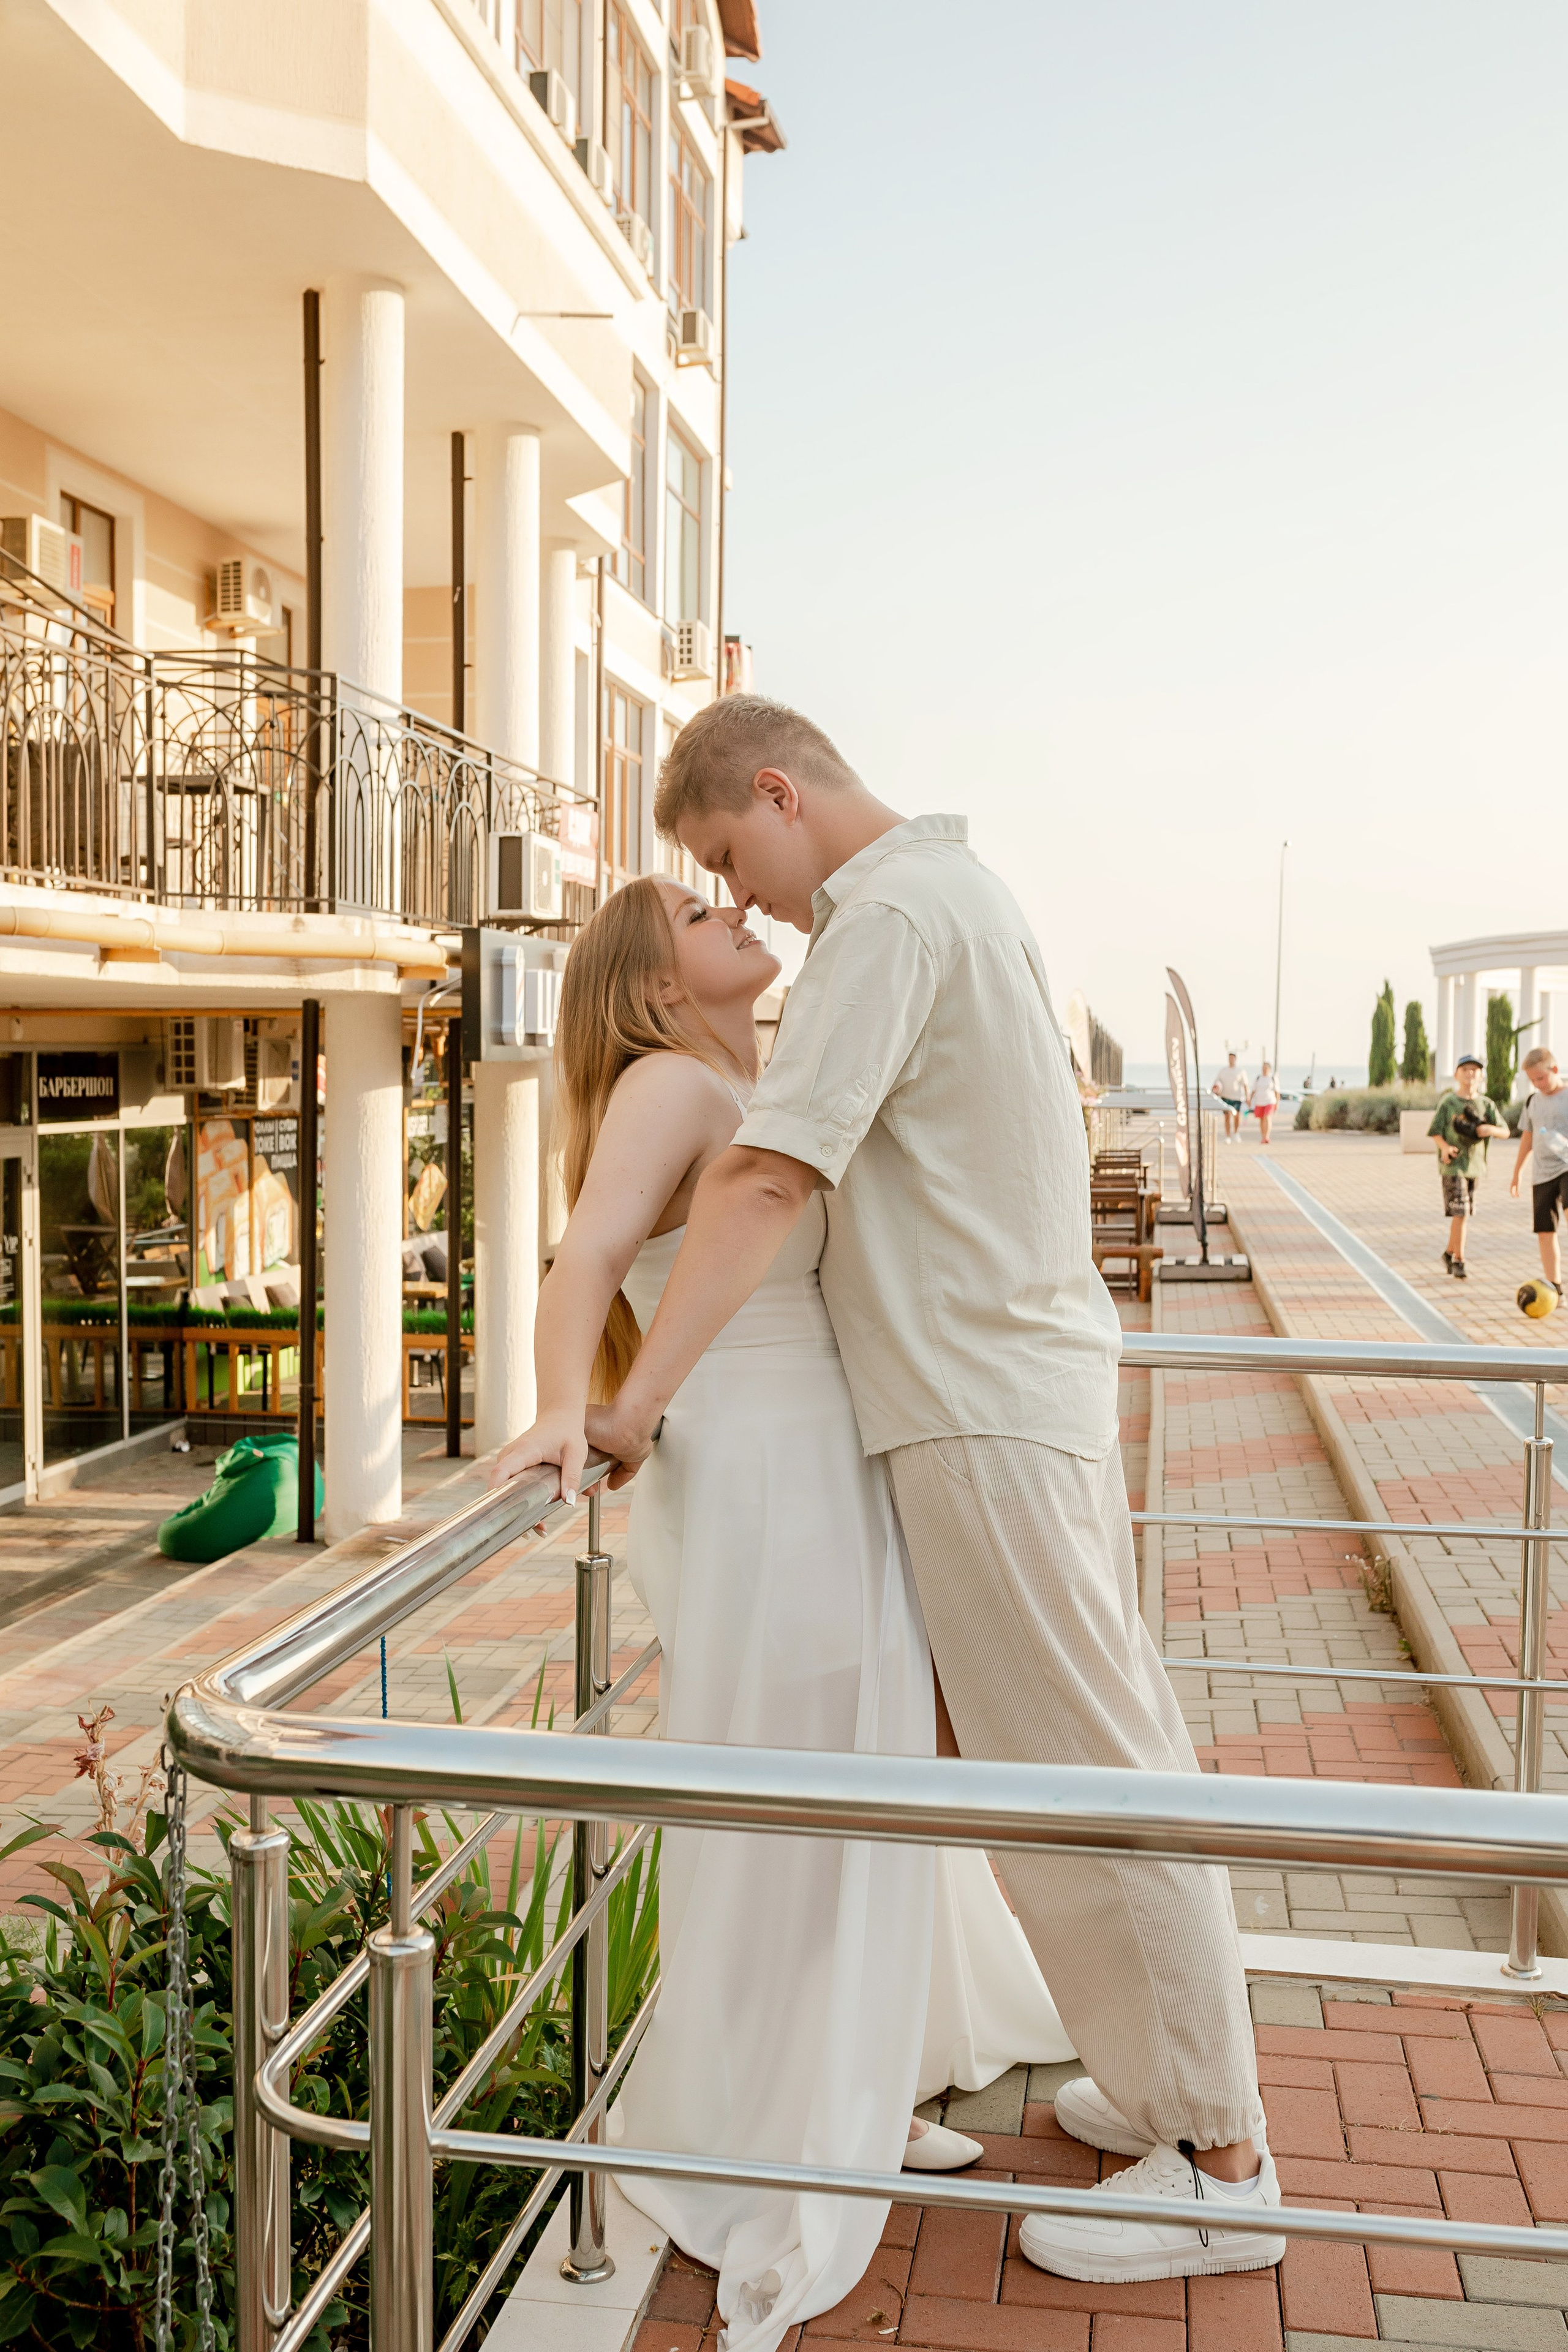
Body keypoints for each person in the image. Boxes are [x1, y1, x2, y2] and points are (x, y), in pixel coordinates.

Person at [513, 695, 1280, 2289]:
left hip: (980, 1407)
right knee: (1075, 1764)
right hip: (1004, 1395)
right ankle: (1162, 2097)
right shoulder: (958, 895)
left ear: (780, 796)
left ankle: (1220, 2165)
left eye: (736, 856)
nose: (754, 901)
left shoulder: (889, 919)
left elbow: (774, 1171)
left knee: (1096, 1774)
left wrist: (631, 1404)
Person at [492, 873, 1072, 2352]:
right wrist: (570, 1409)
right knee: (791, 1779)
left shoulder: (754, 1064)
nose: (738, 913)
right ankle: (783, 2114)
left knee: (854, 1772)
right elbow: (587, 1254)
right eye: (698, 909)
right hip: (757, 1465)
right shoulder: (669, 1082)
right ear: (648, 970)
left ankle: (849, 2083)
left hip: (832, 1453)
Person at [1428, 1054, 1509, 1280]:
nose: (1470, 1074)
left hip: (1475, 1167)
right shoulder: (1449, 1103)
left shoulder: (1486, 1105)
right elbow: (1435, 1131)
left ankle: (1448, 1253)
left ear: (1481, 1076)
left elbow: (1506, 1131)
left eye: (1475, 1070)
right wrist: (1444, 1148)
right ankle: (1460, 1260)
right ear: (1456, 1075)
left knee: (1461, 1214)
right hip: (1453, 1166)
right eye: (1465, 1069)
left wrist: (1489, 1130)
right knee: (1461, 1213)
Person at [1509, 1045, 1568, 1293]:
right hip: (1542, 1173)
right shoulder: (1533, 1101)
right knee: (1545, 1230)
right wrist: (1517, 1173)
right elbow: (1528, 1137)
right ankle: (1555, 1287)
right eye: (1533, 1080)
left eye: (1541, 1078)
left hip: (1567, 1167)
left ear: (1555, 1069)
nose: (1537, 1084)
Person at [1210, 1050, 1250, 1139]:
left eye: (1232, 1058)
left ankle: (1236, 1133)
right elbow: (1217, 1082)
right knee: (1227, 1116)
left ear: (1235, 1059)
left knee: (1236, 1116)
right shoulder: (1223, 1071)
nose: (1231, 1060)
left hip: (1237, 1097)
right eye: (1229, 1058)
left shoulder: (1240, 1071)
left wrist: (1248, 1097)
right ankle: (1228, 1135)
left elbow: (1245, 1085)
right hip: (1225, 1096)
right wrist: (1215, 1091)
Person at [1250, 1061, 1280, 1145]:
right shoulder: (1258, 1078)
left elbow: (1277, 1092)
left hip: (1270, 1101)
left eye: (1266, 1068)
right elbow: (1253, 1090)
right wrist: (1250, 1099)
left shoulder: (1272, 1078)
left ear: (1269, 1069)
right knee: (1262, 1119)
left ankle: (1267, 1137)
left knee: (1267, 1117)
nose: (1264, 1070)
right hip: (1260, 1101)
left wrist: (1278, 1103)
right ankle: (1263, 1137)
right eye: (1263, 1068)